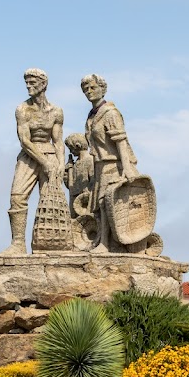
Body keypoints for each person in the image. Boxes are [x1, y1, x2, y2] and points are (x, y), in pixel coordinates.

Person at [0, 68, 64, 255]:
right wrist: (45, 162)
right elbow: (25, 141)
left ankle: (48, 245)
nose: (28, 86)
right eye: (26, 82)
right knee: (17, 197)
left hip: (50, 155)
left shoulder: (56, 111)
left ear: (43, 84)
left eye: (32, 82)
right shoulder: (23, 109)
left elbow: (58, 141)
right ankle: (18, 243)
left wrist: (60, 164)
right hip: (30, 156)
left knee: (50, 199)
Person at [82, 73, 140, 253]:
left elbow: (120, 141)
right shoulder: (92, 115)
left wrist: (128, 168)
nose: (89, 92)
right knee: (99, 205)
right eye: (86, 89)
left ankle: (106, 244)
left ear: (102, 89)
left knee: (107, 202)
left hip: (114, 164)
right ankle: (104, 241)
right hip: (100, 165)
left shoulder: (110, 113)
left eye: (93, 88)